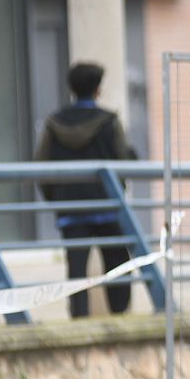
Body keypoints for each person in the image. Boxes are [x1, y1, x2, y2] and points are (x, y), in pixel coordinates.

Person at [35, 62, 136, 318]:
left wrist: (55, 199)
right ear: (98, 90)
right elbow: (124, 160)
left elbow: (41, 166)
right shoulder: (110, 122)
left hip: (71, 209)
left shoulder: (53, 123)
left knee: (76, 269)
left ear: (71, 88)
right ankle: (120, 315)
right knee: (118, 263)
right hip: (106, 208)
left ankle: (79, 318)